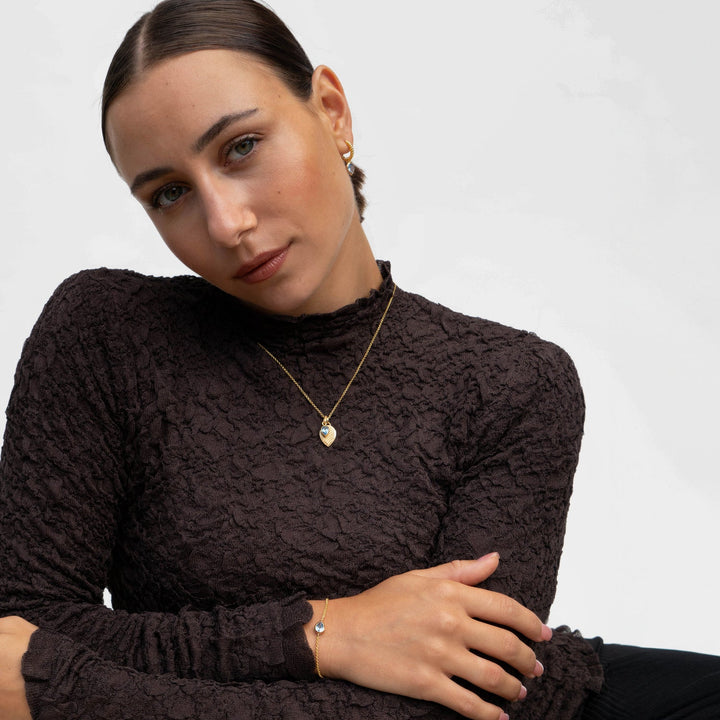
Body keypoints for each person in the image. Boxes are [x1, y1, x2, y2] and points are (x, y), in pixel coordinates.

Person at [0, 1, 717, 719]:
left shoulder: (511, 383)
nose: (226, 223)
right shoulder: (106, 335)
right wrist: (327, 634)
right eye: (170, 193)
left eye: (241, 147)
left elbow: (464, 701)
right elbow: (19, 633)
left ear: (333, 113)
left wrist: (74, 695)